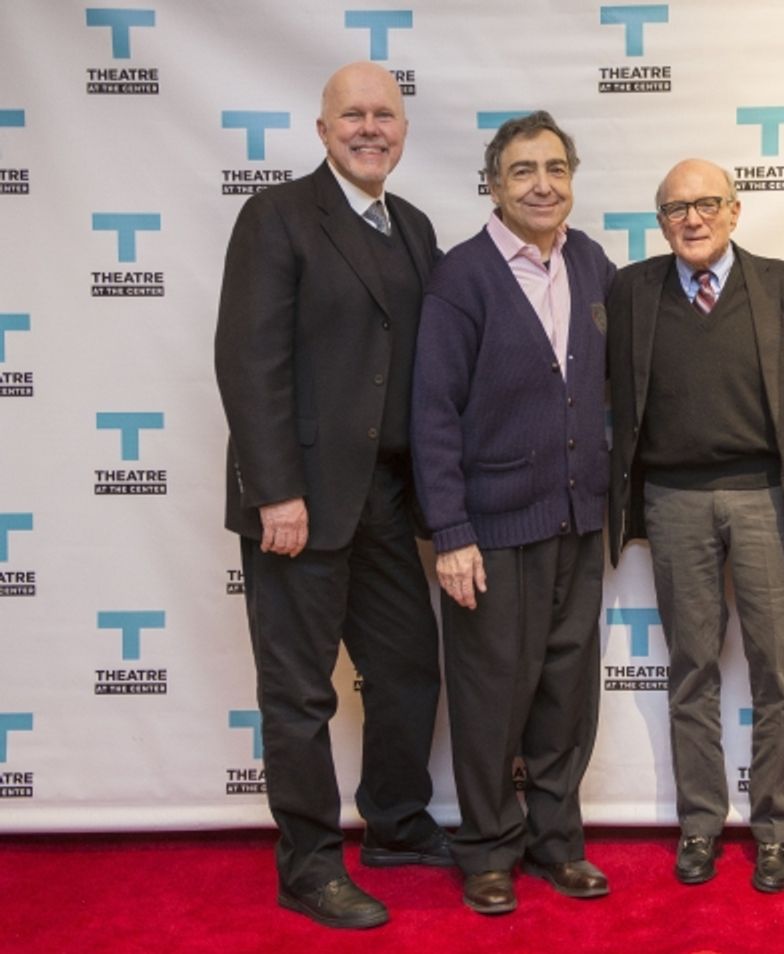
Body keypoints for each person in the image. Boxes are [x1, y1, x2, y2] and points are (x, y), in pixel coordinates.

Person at [214, 61, 450, 931]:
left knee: (407, 671)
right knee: (301, 692)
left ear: (402, 130)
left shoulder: (416, 228)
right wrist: (275, 490)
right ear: (322, 129)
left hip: (386, 497)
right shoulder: (277, 216)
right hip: (300, 505)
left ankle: (394, 824)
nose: (369, 128)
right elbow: (249, 361)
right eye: (352, 114)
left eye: (384, 115)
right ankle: (309, 865)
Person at [410, 111, 614, 916]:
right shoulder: (462, 276)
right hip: (492, 532)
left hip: (576, 522)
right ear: (493, 184)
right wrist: (452, 533)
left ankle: (558, 843)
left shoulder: (592, 262)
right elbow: (432, 415)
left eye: (556, 168)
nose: (542, 183)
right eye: (523, 169)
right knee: (493, 695)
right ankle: (489, 847)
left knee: (567, 693)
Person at [607, 159, 784, 893]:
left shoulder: (779, 284)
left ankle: (774, 829)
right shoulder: (632, 291)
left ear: (734, 212)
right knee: (692, 671)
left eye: (706, 204)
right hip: (673, 502)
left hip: (766, 495)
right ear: (661, 220)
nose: (692, 219)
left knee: (776, 671)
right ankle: (699, 824)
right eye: (676, 208)